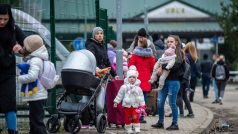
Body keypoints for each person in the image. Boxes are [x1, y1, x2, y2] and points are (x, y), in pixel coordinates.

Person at [0, 4, 26, 134]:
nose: (2, 22)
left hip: (8, 72)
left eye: (5, 19)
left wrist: (21, 49)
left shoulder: (14, 29)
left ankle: (12, 130)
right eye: (0, 19)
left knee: (9, 102)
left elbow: (28, 43)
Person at [151, 35, 184, 130]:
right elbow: (159, 62)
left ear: (176, 42)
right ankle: (160, 122)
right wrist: (159, 67)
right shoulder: (165, 53)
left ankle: (175, 124)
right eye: (168, 41)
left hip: (174, 81)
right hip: (164, 81)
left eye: (171, 41)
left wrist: (162, 67)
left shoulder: (179, 53)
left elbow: (175, 66)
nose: (169, 43)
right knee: (160, 102)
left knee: (172, 103)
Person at [18, 35, 48, 134]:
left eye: (25, 46)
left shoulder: (35, 60)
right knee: (34, 120)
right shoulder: (36, 58)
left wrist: (20, 78)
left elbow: (32, 76)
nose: (23, 47)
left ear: (31, 48)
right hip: (37, 95)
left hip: (37, 95)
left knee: (37, 121)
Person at [128, 28, 156, 123]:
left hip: (136, 80)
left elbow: (130, 66)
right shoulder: (151, 56)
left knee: (135, 99)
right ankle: (141, 117)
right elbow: (153, 68)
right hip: (146, 80)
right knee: (143, 99)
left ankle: (134, 116)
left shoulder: (135, 55)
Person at [114, 65, 145, 134]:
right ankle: (128, 128)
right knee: (128, 117)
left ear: (136, 79)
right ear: (127, 78)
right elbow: (120, 95)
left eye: (133, 77)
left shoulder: (138, 88)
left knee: (135, 116)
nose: (132, 79)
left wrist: (143, 105)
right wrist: (116, 101)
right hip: (127, 106)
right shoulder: (124, 87)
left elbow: (141, 97)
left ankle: (137, 127)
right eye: (130, 77)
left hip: (135, 105)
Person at [181, 42, 199, 117]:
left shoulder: (186, 56)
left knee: (181, 95)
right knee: (185, 96)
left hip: (184, 76)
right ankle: (190, 112)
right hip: (189, 77)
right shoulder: (194, 57)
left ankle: (181, 113)